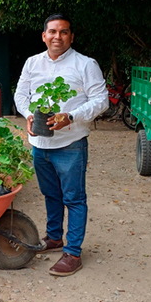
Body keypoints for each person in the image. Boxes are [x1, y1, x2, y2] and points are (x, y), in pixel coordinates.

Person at [14, 14, 108, 277]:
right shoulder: (32, 63)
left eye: (64, 32)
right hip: (40, 143)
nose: (58, 36)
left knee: (74, 199)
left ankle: (73, 252)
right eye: (52, 32)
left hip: (70, 143)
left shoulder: (85, 64)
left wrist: (72, 116)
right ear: (44, 36)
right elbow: (21, 95)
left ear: (71, 36)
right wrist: (28, 114)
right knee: (51, 194)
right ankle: (54, 238)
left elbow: (102, 100)